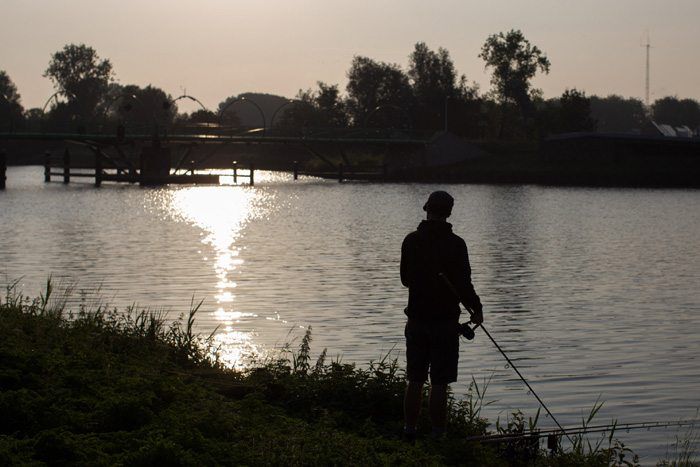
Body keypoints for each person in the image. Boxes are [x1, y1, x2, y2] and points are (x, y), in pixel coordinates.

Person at [400, 190, 483, 440]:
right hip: (445, 324)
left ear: (427, 209)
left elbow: (405, 280)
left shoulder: (411, 240)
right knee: (439, 383)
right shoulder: (457, 244)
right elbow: (464, 284)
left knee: (415, 379)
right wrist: (476, 308)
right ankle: (438, 436)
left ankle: (410, 431)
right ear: (449, 213)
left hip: (417, 321)